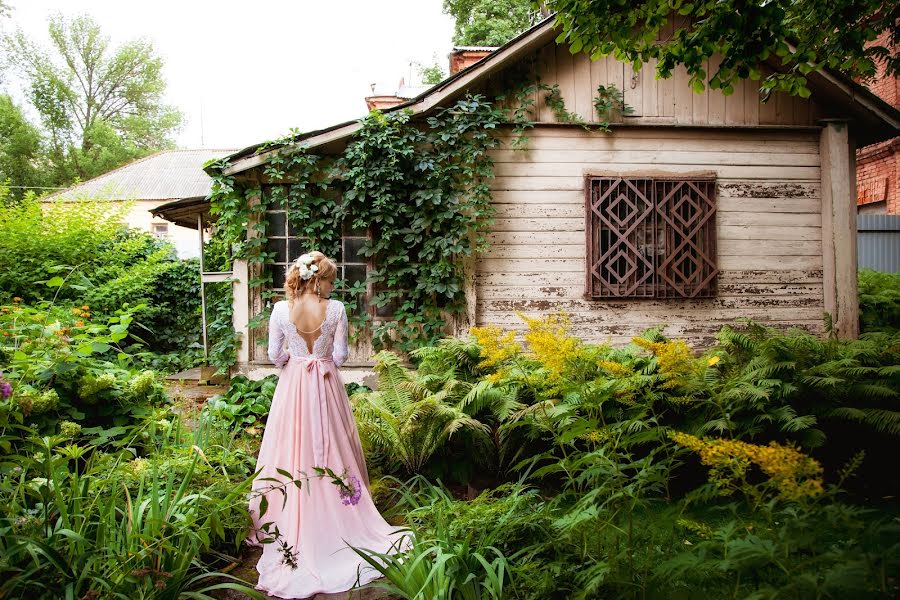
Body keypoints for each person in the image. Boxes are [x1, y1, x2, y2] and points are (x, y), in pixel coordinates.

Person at [246, 251, 408, 599]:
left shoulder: (278, 311)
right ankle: (340, 507)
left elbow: (274, 355)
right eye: (331, 279)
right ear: (318, 280)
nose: (334, 285)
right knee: (334, 444)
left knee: (291, 446)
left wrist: (295, 358)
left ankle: (290, 510)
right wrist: (318, 358)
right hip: (325, 384)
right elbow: (341, 356)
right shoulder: (336, 310)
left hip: (293, 388)